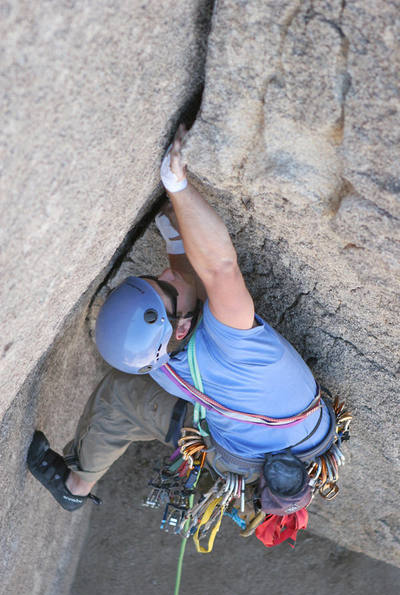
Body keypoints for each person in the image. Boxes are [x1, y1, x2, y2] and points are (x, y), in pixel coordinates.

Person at [27, 125, 337, 518]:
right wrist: (177, 187)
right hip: (267, 446)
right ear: (181, 330)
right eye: (165, 285)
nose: (167, 274)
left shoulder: (165, 356)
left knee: (126, 393)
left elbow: (201, 286)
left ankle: (78, 481)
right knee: (121, 394)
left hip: (269, 443)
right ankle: (76, 486)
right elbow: (220, 270)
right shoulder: (233, 342)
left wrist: (177, 226)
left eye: (159, 279)